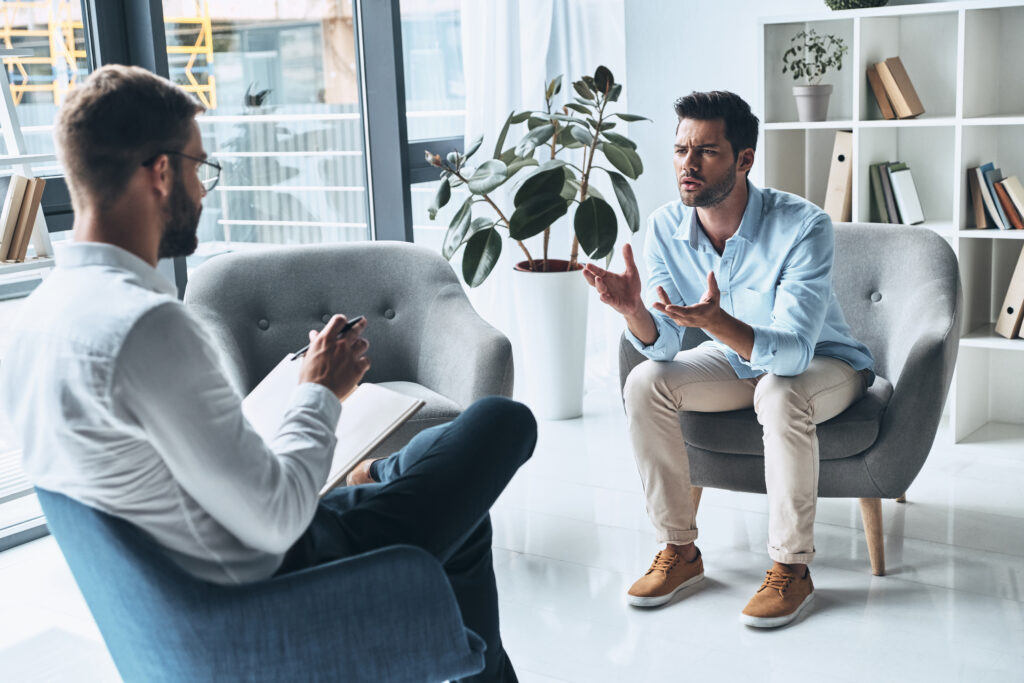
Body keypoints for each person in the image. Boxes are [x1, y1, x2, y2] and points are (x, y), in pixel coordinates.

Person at [0, 65, 535, 682]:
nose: (204, 191)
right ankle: (383, 475)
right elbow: (278, 519)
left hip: (204, 568)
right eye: (201, 169)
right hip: (279, 574)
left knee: (460, 514)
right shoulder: (148, 328)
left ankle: (386, 478)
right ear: (162, 171)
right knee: (502, 421)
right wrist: (319, 393)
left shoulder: (40, 318)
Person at [582, 91, 874, 628]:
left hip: (825, 363)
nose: (687, 165)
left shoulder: (802, 225)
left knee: (780, 390)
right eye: (680, 150)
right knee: (647, 381)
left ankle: (791, 567)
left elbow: (792, 354)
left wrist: (715, 321)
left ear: (744, 159)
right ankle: (680, 552)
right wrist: (633, 314)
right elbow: (666, 342)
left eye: (707, 151)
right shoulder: (666, 227)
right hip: (737, 360)